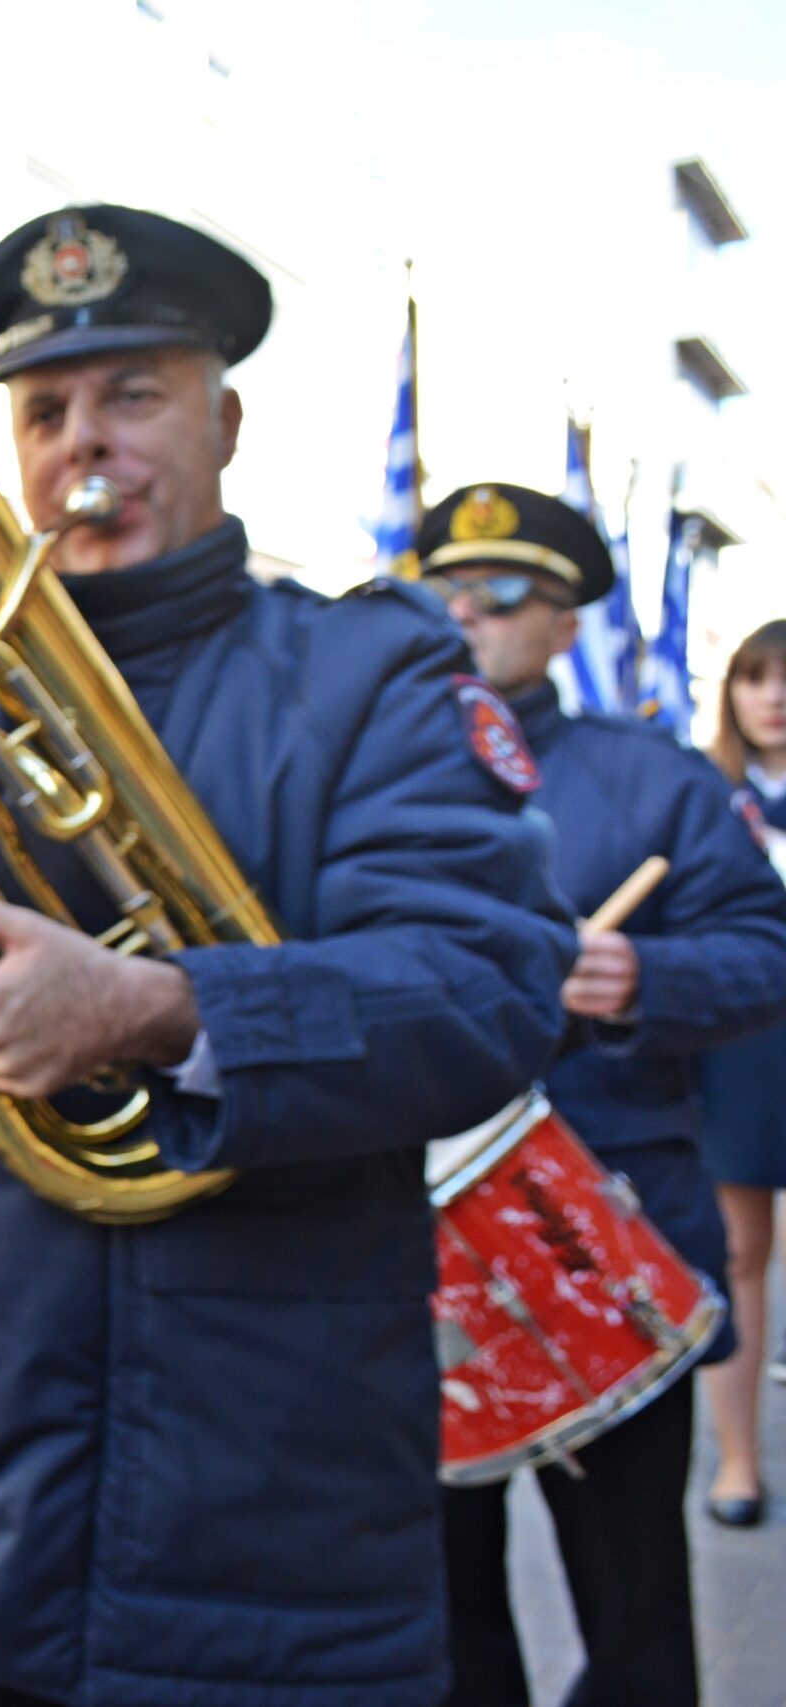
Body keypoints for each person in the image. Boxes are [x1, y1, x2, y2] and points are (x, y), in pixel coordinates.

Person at [0, 205, 573, 1707]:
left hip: (255, 1511)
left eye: (134, 397)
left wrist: (159, 1009)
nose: (83, 444)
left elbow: (485, 991)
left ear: (225, 420)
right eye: (44, 411)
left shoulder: (375, 672)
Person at [418, 487, 786, 1705]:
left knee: (633, 1605)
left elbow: (764, 952)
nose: (465, 610)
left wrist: (644, 974)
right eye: (446, 586)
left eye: (503, 592)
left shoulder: (653, 780)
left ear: (566, 624)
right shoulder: (366, 769)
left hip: (602, 1226)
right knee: (436, 1600)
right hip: (410, 1240)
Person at [695, 617, 786, 1524]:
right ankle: (738, 1462)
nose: (775, 696)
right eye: (757, 678)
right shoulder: (706, 798)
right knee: (742, 1252)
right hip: (746, 1053)